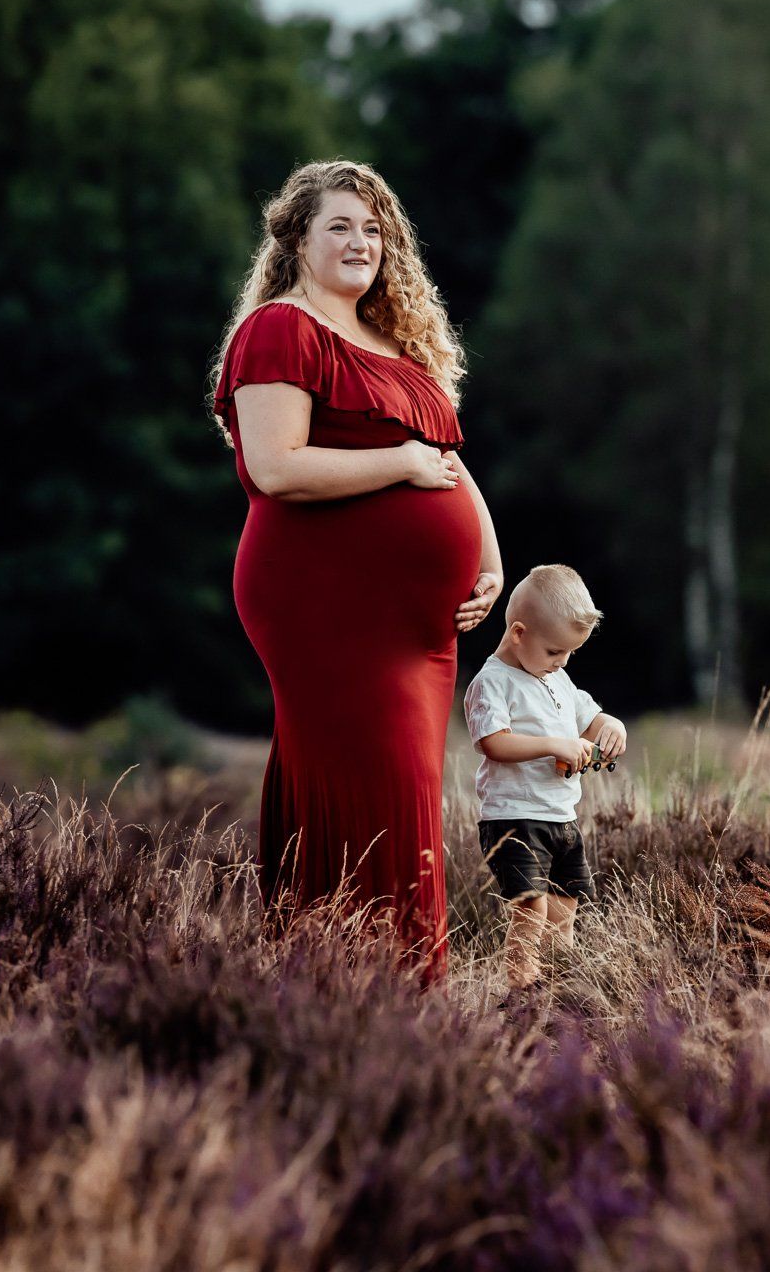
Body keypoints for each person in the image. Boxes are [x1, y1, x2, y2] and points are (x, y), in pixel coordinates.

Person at [207, 160, 505, 985]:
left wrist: (488, 557)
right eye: (339, 225)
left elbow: (443, 460)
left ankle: (356, 989)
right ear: (297, 241)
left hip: (419, 629)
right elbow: (276, 468)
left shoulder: (394, 345)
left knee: (404, 792)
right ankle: (376, 992)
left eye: (373, 228)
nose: (359, 241)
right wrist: (401, 465)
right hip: (325, 605)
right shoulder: (280, 329)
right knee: (378, 788)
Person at [463, 565, 629, 990]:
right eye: (555, 652)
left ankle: (559, 991)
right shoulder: (493, 682)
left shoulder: (557, 676)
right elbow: (493, 743)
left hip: (561, 818)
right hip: (513, 817)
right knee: (531, 907)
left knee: (563, 909)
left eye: (569, 653)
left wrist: (611, 727)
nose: (562, 662)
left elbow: (589, 718)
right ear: (518, 633)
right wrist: (555, 745)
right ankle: (522, 991)